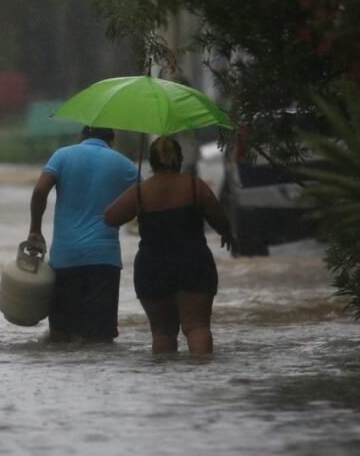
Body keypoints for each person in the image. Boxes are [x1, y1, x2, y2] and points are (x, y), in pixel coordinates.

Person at [104, 136, 234, 355]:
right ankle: (203, 377)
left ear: (151, 161)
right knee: (197, 328)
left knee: (162, 332)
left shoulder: (141, 191)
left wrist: (137, 194)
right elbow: (220, 220)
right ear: (180, 159)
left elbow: (111, 218)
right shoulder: (194, 185)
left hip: (153, 267)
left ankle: (167, 381)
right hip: (193, 263)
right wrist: (227, 233)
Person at [28, 127, 139, 342]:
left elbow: (40, 191)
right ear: (111, 140)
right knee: (100, 339)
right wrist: (124, 217)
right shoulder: (124, 164)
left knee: (61, 337)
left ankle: (67, 375)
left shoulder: (62, 155)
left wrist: (35, 230)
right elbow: (146, 198)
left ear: (81, 136)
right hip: (104, 260)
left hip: (65, 259)